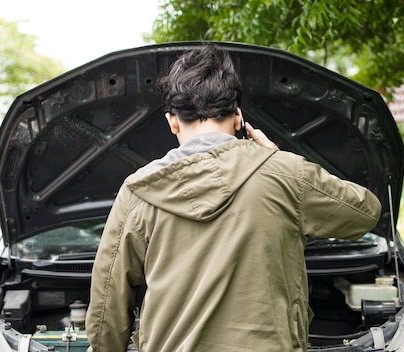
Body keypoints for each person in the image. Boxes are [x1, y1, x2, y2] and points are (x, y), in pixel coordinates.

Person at [85, 43, 382, 352]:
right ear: (238, 117)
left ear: (172, 121)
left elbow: (108, 304)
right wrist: (279, 159)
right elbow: (365, 212)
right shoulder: (286, 175)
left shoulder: (138, 191)